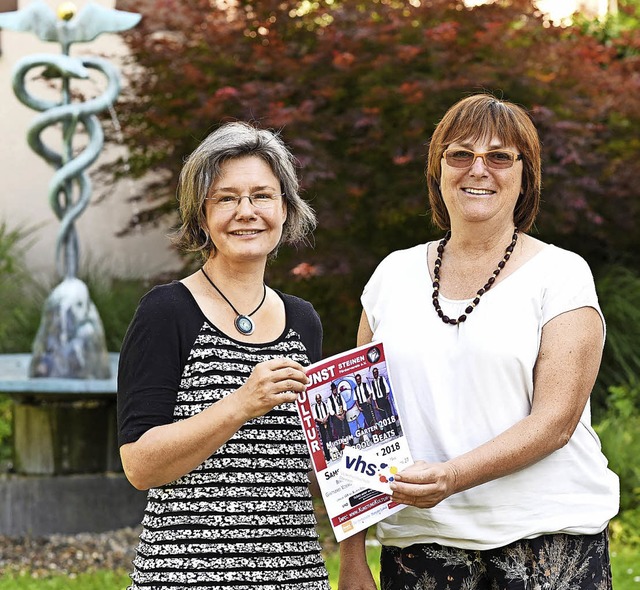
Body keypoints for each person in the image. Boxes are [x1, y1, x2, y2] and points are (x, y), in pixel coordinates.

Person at [338, 93, 619, 590]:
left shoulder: (561, 275)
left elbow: (554, 423)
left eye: (499, 157)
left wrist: (451, 477)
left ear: (524, 176)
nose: (478, 170)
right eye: (460, 154)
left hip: (546, 541)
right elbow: (357, 425)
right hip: (420, 545)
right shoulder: (392, 275)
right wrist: (353, 557)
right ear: (438, 170)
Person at [117, 122, 330, 590]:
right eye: (227, 198)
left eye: (262, 196)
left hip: (294, 576)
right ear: (202, 215)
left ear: (286, 208)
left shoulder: (303, 322)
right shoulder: (166, 311)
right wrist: (239, 404)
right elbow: (139, 465)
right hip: (184, 578)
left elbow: (312, 466)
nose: (246, 212)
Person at [314, 393, 332, 461]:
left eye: (319, 398)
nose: (318, 400)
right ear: (316, 400)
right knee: (324, 440)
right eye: (317, 399)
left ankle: (335, 452)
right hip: (321, 424)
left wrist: (325, 419)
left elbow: (328, 413)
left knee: (331, 437)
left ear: (321, 398)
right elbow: (315, 417)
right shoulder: (314, 407)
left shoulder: (324, 404)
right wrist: (321, 420)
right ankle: (328, 457)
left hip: (327, 422)